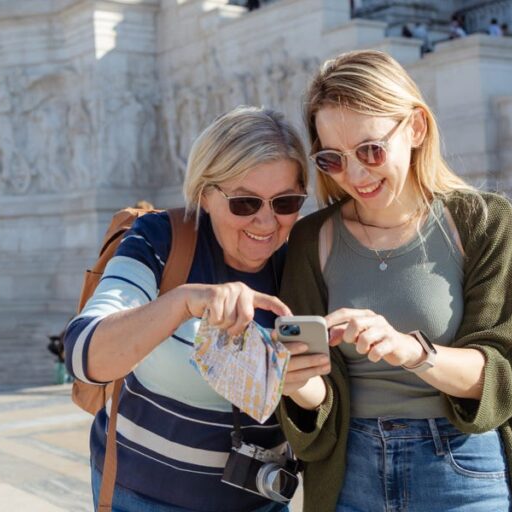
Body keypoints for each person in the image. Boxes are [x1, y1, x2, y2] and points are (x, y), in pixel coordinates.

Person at [274, 50, 512, 511]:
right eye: (332, 159)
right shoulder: (309, 239)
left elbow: (501, 376)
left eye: (370, 150)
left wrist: (412, 351)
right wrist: (287, 376)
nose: (355, 175)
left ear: (415, 128)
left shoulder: (482, 221)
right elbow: (319, 403)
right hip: (347, 471)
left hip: (461, 468)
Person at [63, 106, 329, 511]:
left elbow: (325, 403)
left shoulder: (307, 257)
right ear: (205, 193)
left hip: (261, 501)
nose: (266, 221)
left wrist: (295, 382)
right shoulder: (163, 239)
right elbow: (84, 355)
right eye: (244, 203)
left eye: (286, 202)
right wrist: (185, 301)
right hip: (141, 496)